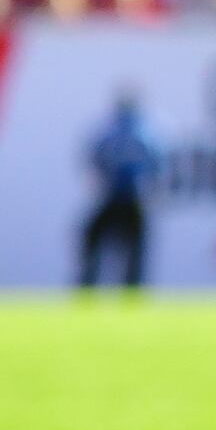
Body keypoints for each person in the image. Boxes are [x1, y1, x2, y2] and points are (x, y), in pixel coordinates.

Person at [78, 88, 160, 290]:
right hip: (132, 199)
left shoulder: (108, 133)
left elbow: (95, 160)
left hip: (113, 198)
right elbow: (155, 166)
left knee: (94, 244)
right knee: (134, 253)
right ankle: (130, 294)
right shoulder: (145, 133)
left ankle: (87, 288)